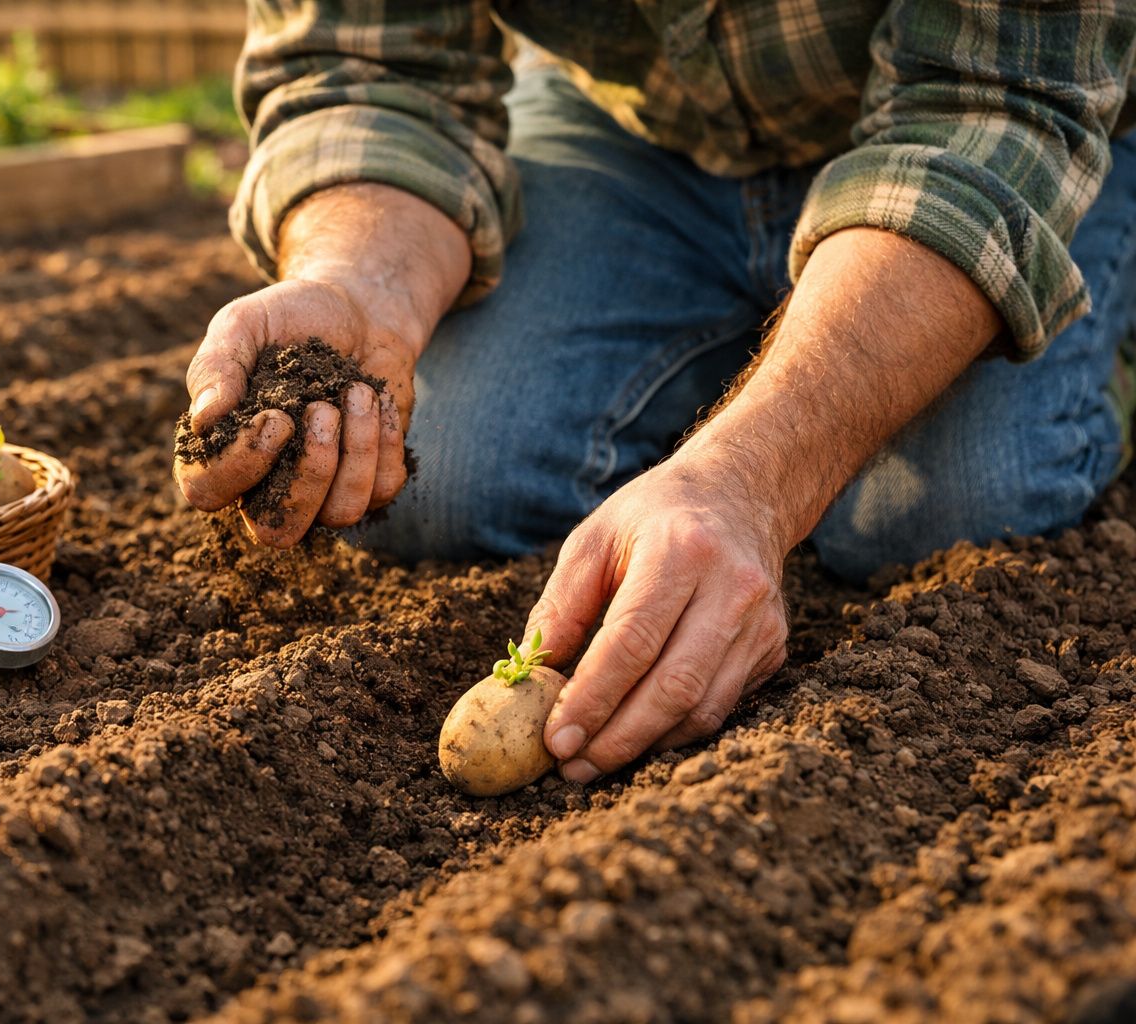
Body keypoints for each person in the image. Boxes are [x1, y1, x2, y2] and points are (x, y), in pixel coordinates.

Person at [174, 2, 1136, 784]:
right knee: (449, 477)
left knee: (941, 510)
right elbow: (365, 67)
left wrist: (753, 478)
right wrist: (360, 282)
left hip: (986, 134)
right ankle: (740, 372)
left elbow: (996, 103)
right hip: (639, 133)